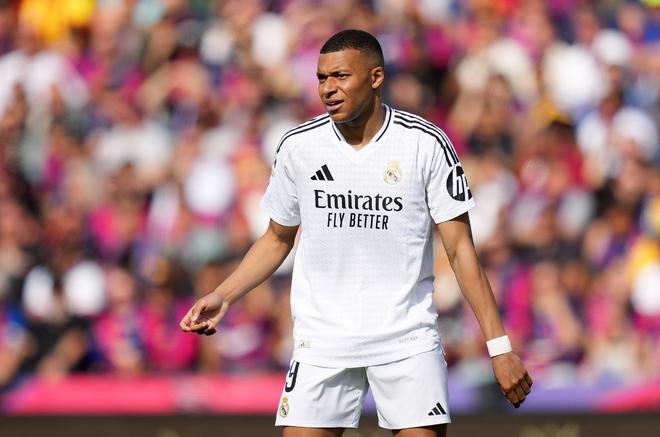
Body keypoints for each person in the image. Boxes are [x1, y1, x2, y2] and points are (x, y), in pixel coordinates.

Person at [180, 29, 532, 437]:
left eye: (341, 76)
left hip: (406, 340)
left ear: (376, 77)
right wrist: (224, 295)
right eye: (321, 78)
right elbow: (277, 238)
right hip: (323, 341)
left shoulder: (424, 144)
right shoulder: (298, 146)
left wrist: (499, 347)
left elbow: (460, 250)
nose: (328, 89)